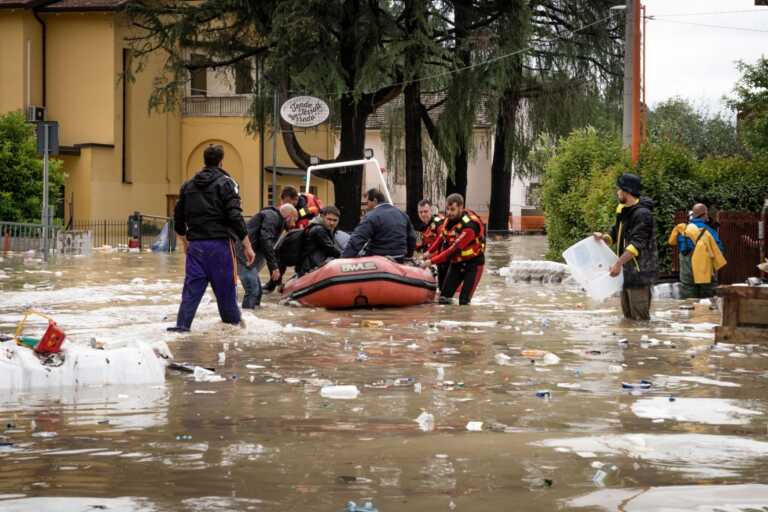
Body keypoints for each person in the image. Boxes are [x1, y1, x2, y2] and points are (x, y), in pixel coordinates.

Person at [168, 144, 255, 332]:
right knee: (226, 293)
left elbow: (178, 218)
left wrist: (185, 242)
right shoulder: (227, 183)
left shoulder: (188, 186)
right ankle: (234, 332)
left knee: (191, 292)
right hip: (221, 246)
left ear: (205, 161)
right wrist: (247, 245)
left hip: (196, 246)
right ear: (221, 161)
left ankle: (181, 328)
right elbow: (235, 216)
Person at [593, 173, 657, 321]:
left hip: (640, 273)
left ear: (627, 191)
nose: (617, 192)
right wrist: (604, 238)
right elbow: (615, 233)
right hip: (626, 273)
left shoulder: (643, 214)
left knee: (640, 320)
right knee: (628, 318)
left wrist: (618, 264)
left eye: (620, 189)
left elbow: (636, 245)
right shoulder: (623, 209)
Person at [421, 193, 485, 305]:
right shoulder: (449, 220)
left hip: (473, 264)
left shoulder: (469, 226)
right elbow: (441, 237)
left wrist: (431, 261)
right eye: (447, 209)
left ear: (461, 207)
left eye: (452, 210)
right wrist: (428, 252)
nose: (449, 213)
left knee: (464, 301)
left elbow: (452, 250)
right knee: (443, 299)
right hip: (457, 262)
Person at [236, 203, 298, 308]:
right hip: (243, 255)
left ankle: (252, 315)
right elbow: (265, 240)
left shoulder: (277, 222)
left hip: (249, 258)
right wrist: (274, 267)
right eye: (294, 220)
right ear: (288, 216)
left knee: (258, 293)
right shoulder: (272, 217)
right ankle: (245, 316)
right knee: (253, 291)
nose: (294, 224)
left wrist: (277, 279)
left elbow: (270, 251)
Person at [667, 203, 726, 299]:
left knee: (688, 302)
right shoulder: (709, 231)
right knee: (707, 302)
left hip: (686, 273)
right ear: (705, 214)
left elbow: (675, 244)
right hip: (704, 273)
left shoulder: (683, 230)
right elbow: (719, 250)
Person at [341, 188, 416, 261]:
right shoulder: (402, 214)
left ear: (375, 200)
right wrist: (408, 255)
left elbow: (357, 240)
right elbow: (412, 238)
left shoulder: (371, 216)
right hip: (400, 257)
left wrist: (343, 260)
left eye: (367, 203)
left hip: (378, 260)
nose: (366, 207)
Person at [298, 206, 342, 276]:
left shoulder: (323, 227)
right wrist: (346, 255)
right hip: (310, 268)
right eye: (329, 219)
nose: (332, 223)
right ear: (322, 217)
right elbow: (330, 249)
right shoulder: (319, 230)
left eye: (335, 220)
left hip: (310, 267)